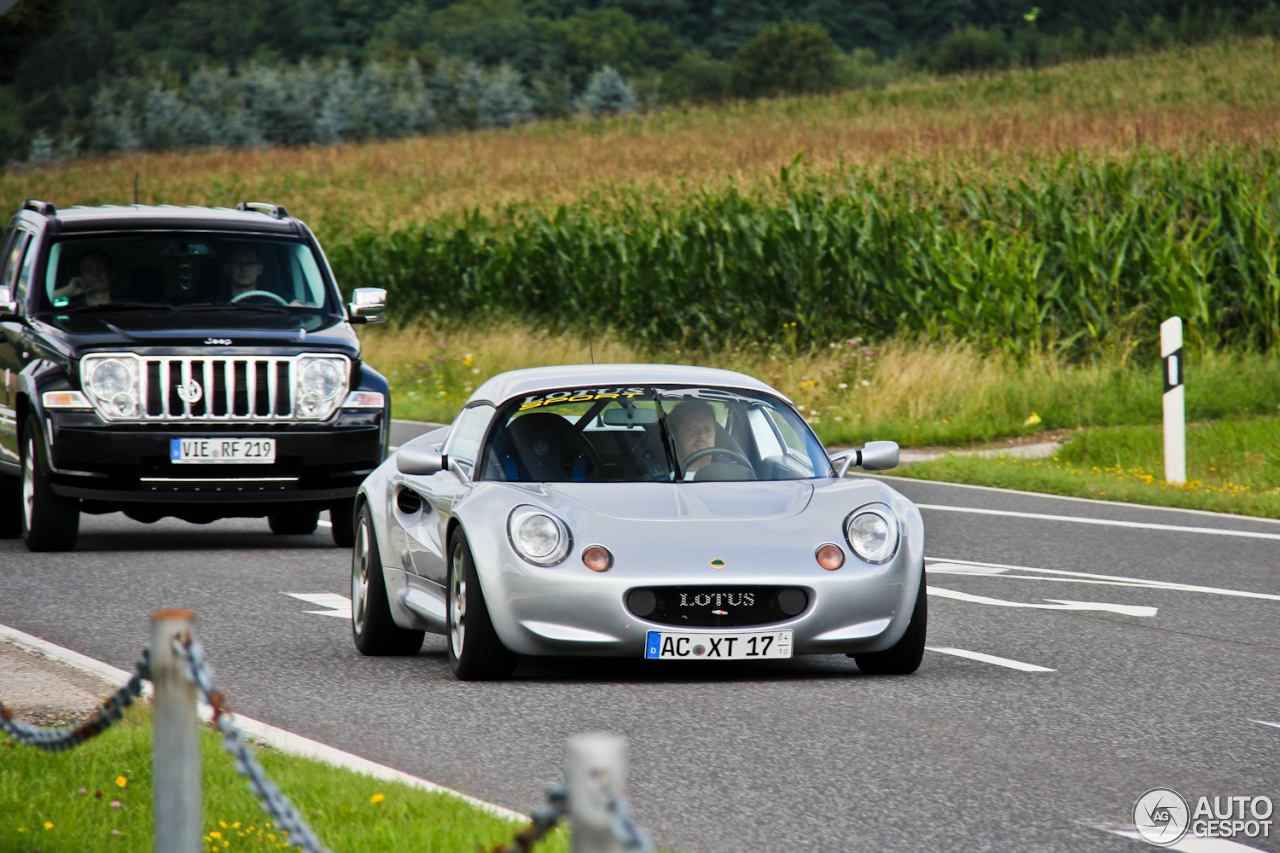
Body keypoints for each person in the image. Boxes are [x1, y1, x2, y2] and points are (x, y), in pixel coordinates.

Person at [667, 399, 721, 475]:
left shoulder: (731, 474)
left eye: (708, 430)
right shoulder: (661, 480)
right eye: (691, 430)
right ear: (674, 436)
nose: (701, 435)